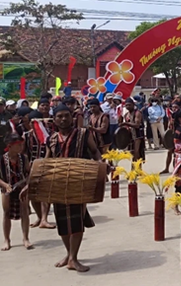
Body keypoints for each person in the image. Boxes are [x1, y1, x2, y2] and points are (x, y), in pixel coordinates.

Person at [43, 104, 102, 272]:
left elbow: (94, 151)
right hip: (58, 184)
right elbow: (47, 162)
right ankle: (69, 255)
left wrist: (100, 164)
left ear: (72, 117)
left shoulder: (84, 133)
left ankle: (73, 258)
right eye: (59, 116)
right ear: (54, 120)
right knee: (62, 222)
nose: (63, 119)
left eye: (66, 115)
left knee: (77, 220)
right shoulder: (51, 139)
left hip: (79, 182)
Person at [1, 133, 33, 250]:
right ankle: (6, 239)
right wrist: (5, 185)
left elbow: (29, 173)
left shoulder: (23, 158)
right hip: (7, 188)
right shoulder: (2, 159)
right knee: (6, 213)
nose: (21, 147)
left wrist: (27, 186)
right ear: (10, 146)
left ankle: (25, 238)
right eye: (18, 145)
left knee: (24, 211)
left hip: (21, 187)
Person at [161, 100, 181, 174]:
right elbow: (170, 125)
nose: (174, 109)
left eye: (176, 107)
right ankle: (166, 168)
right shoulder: (171, 115)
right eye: (173, 107)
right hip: (172, 135)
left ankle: (176, 168)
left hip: (179, 136)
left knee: (177, 153)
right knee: (169, 152)